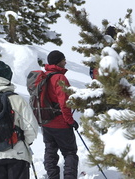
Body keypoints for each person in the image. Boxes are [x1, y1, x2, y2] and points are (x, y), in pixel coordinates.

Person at [0, 60, 39, 179]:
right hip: (17, 153)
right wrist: (25, 142)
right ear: (8, 78)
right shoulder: (17, 99)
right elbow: (31, 127)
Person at [42, 50, 79, 179]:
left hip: (46, 122)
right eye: (63, 60)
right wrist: (70, 121)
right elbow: (65, 103)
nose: (65, 62)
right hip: (60, 123)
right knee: (70, 153)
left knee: (50, 152)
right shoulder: (60, 78)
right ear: (58, 62)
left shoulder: (44, 76)